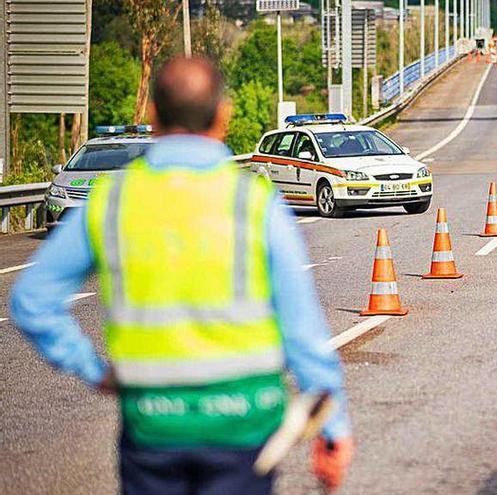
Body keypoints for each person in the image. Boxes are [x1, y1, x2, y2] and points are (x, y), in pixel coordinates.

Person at [10, 56, 354, 494]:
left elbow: (31, 302)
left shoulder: (111, 201)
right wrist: (332, 425)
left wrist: (93, 369)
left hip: (154, 427)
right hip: (245, 430)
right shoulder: (254, 202)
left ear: (152, 115)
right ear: (224, 115)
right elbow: (303, 331)